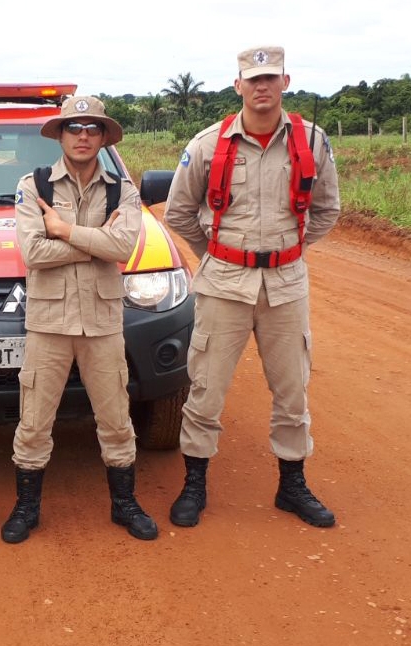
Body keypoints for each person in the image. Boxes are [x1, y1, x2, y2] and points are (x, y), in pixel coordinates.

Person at [163, 46, 341, 528]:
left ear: (285, 81)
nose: (261, 87)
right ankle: (194, 484)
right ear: (237, 85)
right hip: (223, 284)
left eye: (269, 78)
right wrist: (218, 256)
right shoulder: (207, 144)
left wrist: (292, 251)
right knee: (205, 389)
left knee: (292, 391)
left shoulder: (313, 141)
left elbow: (327, 209)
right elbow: (179, 211)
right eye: (251, 79)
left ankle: (292, 485)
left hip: (286, 285)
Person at [1, 95, 158, 544]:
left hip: (103, 322)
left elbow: (125, 247)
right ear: (62, 135)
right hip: (48, 323)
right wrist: (96, 241)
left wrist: (65, 230)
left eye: (92, 128)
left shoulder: (121, 189)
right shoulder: (34, 186)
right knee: (34, 420)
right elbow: (32, 251)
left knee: (115, 418)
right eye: (75, 127)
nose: (83, 135)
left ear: (104, 136)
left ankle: (124, 504)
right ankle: (27, 506)